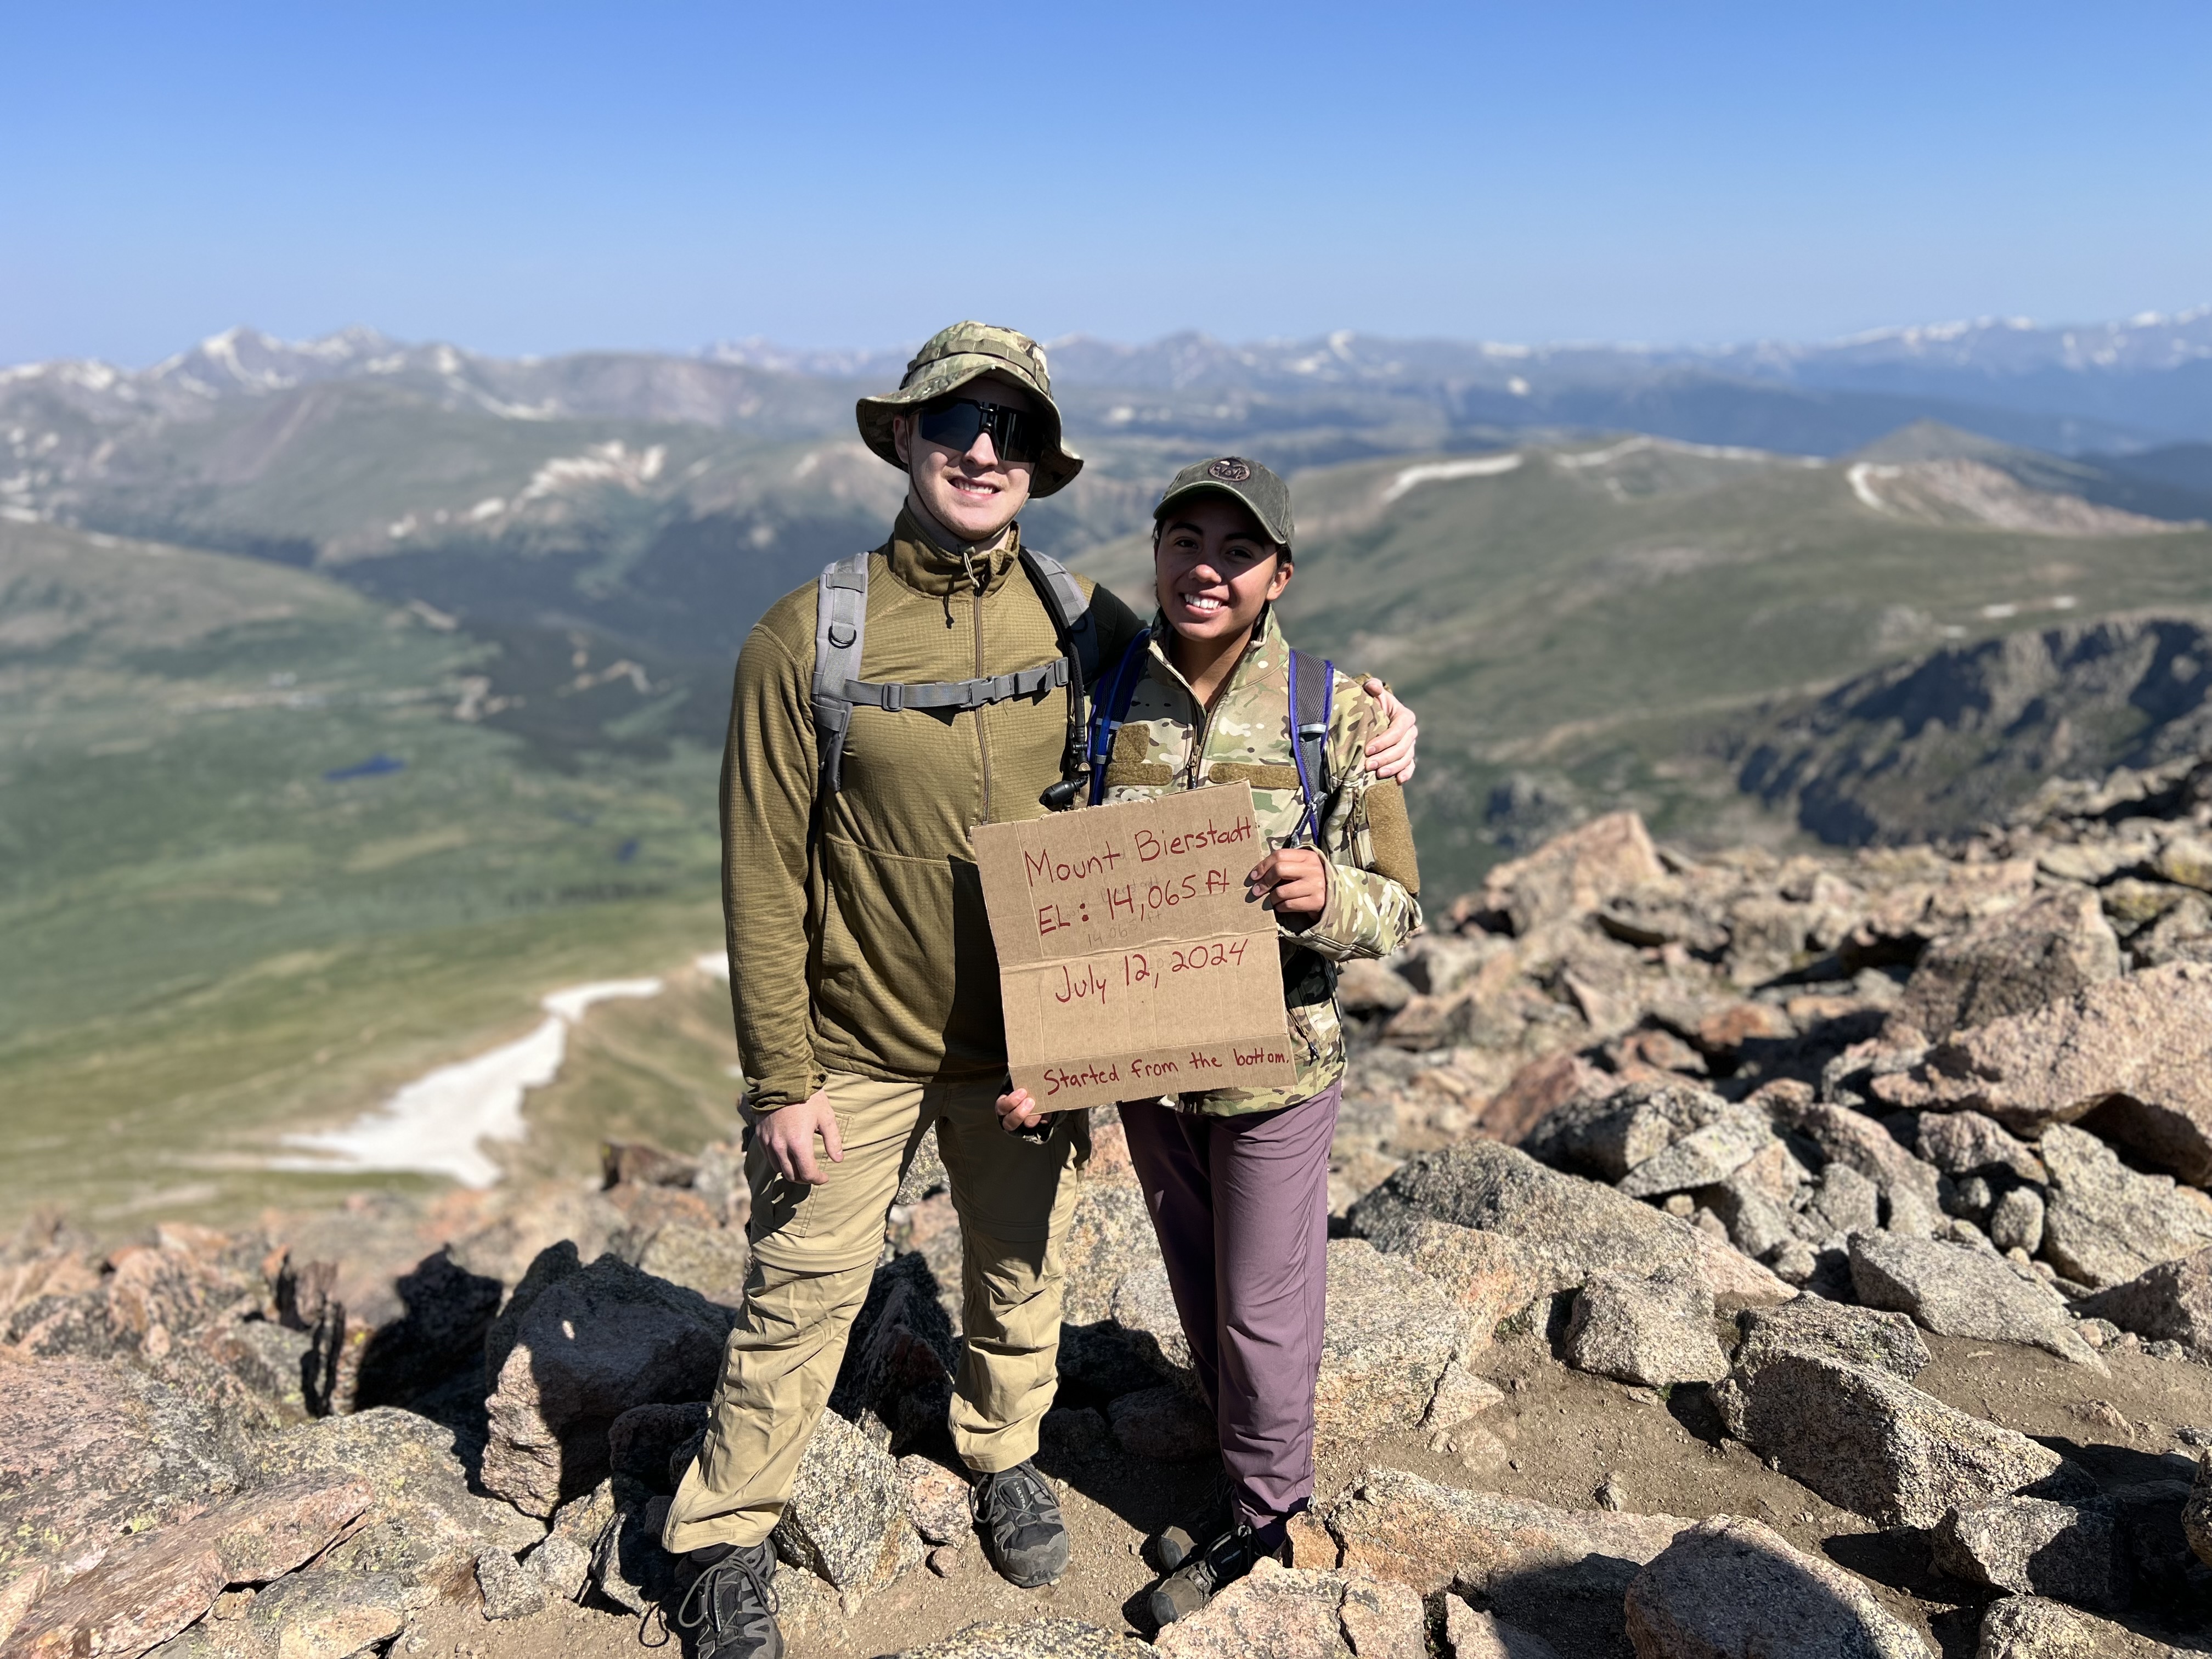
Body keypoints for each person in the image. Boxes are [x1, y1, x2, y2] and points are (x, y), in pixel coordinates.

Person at [665, 325, 1421, 1659]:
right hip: (856, 1042)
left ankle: (1002, 1453)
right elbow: (761, 874)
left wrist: (1383, 722)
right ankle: (721, 1538)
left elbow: (1218, 696)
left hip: (1027, 1040)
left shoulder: (1087, 628)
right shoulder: (806, 638)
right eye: (956, 421)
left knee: (1020, 1275)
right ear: (903, 435)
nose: (981, 450)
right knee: (800, 1290)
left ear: (1040, 466)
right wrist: (779, 1078)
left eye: (1011, 432)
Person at [996, 455, 1423, 1628]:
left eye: (1238, 551)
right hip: (1151, 1072)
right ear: (1156, 554)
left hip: (1276, 1070)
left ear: (1280, 574)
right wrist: (1062, 1067)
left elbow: (1401, 905)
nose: (1207, 569)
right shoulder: (1107, 691)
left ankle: (1269, 1524)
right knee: (1200, 1289)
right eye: (1186, 541)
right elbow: (1072, 889)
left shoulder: (1335, 710)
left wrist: (1323, 894)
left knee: (1261, 1304)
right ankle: (1243, 1473)